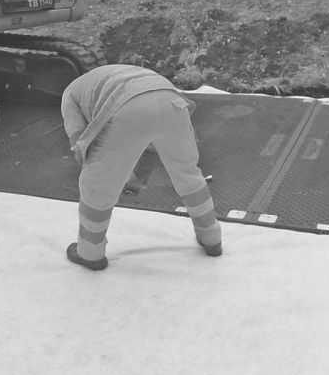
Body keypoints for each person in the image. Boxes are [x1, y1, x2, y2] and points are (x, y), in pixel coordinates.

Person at [61, 64, 222, 271]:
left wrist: (97, 173)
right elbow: (151, 139)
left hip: (126, 104)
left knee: (96, 187)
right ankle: (211, 237)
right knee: (187, 173)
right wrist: (139, 177)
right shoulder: (113, 73)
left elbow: (80, 145)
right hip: (171, 100)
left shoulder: (69, 94)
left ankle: (90, 253)